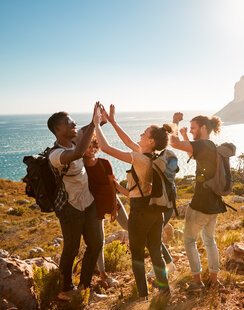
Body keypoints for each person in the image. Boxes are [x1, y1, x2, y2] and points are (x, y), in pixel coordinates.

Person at [93, 105, 171, 301]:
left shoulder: (139, 159)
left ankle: (143, 296)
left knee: (137, 255)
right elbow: (128, 142)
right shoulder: (152, 158)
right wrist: (112, 122)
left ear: (151, 141)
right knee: (155, 252)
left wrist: (96, 124)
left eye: (144, 133)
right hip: (155, 213)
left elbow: (105, 148)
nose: (141, 134)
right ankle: (164, 292)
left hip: (140, 214)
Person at [47, 104, 103, 301]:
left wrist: (97, 118)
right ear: (58, 130)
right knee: (71, 248)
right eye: (69, 123)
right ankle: (66, 289)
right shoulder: (55, 155)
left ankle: (84, 289)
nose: (74, 124)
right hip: (70, 207)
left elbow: (92, 127)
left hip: (88, 202)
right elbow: (79, 153)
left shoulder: (75, 138)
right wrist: (94, 124)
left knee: (96, 243)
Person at [170, 113, 226, 291]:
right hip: (214, 203)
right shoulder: (210, 146)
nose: (192, 131)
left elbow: (174, 143)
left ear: (203, 128)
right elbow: (193, 154)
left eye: (193, 128)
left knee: (189, 240)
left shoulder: (202, 144)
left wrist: (176, 123)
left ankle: (196, 282)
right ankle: (214, 279)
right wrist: (187, 136)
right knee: (209, 240)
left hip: (200, 204)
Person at [83, 135, 130, 287]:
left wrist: (114, 208)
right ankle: (103, 273)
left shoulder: (104, 163)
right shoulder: (79, 166)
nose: (92, 150)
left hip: (111, 200)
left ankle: (150, 257)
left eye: (94, 147)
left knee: (129, 226)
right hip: (94, 206)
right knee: (99, 241)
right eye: (88, 147)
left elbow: (112, 185)